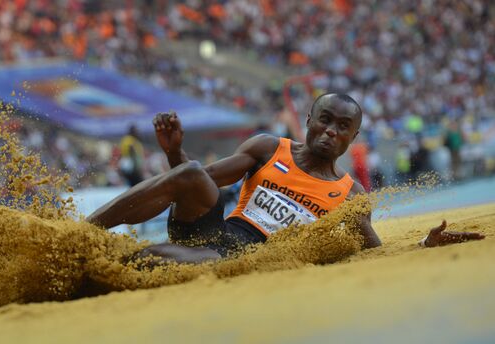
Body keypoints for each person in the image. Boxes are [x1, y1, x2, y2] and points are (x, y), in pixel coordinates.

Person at [87, 94, 484, 264]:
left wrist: (422, 244)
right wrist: (174, 152)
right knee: (190, 171)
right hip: (213, 229)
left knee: (146, 259)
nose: (331, 131)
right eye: (325, 120)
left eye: (343, 127)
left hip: (241, 258)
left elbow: (372, 254)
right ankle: (81, 233)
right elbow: (192, 184)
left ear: (353, 138)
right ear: (308, 121)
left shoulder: (351, 195)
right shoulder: (268, 148)